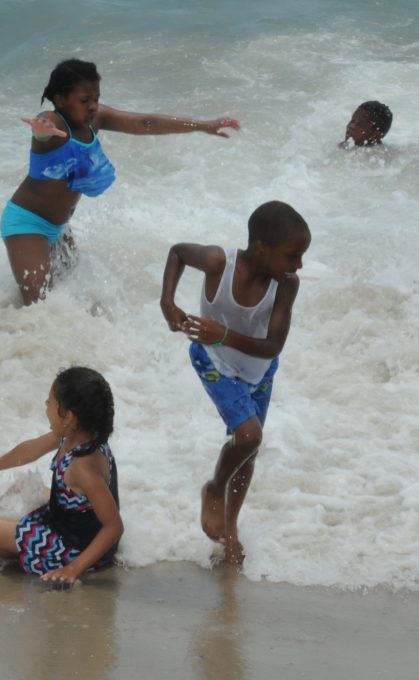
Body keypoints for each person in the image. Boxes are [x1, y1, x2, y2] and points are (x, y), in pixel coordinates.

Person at [4, 58, 241, 305]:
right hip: (27, 225)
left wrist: (202, 126)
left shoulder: (95, 120)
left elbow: (143, 123)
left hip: (59, 229)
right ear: (61, 100)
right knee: (39, 307)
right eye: (84, 101)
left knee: (68, 294)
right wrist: (41, 131)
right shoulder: (53, 122)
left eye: (96, 98)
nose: (93, 106)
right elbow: (42, 131)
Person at [159, 201, 311, 564]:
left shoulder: (286, 284)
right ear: (261, 247)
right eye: (293, 255)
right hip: (214, 362)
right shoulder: (218, 264)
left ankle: (230, 529)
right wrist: (167, 302)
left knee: (248, 449)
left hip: (259, 371)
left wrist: (223, 332)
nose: (299, 264)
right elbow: (178, 252)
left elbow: (273, 346)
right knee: (249, 436)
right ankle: (213, 489)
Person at [0, 366, 122, 584]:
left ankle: (25, 553)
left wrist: (72, 569)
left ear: (68, 416)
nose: (46, 405)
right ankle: (8, 537)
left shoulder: (84, 467)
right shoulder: (77, 435)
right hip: (68, 519)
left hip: (74, 549)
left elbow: (114, 526)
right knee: (23, 484)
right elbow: (30, 450)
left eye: (50, 401)